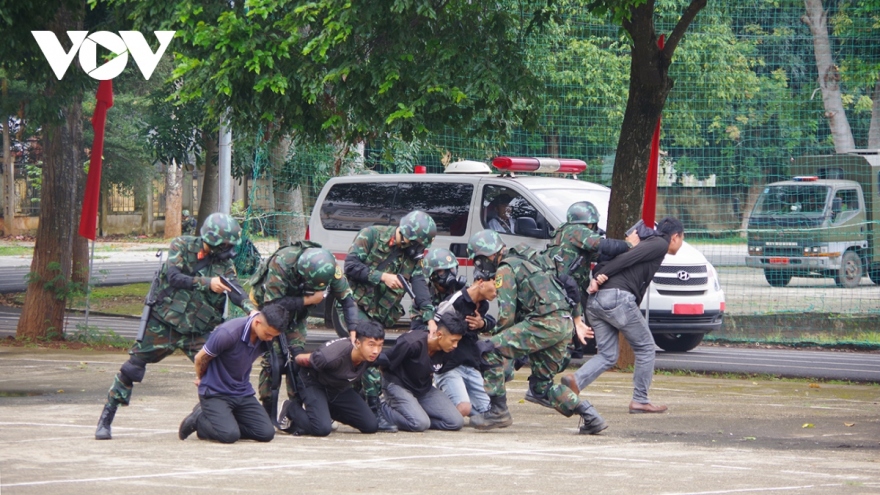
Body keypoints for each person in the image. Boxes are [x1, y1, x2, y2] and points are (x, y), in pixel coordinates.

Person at [95, 212, 255, 440]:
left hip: (197, 331)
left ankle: (203, 415)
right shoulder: (182, 245)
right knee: (132, 368)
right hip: (164, 324)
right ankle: (106, 418)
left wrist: (252, 310)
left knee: (220, 374)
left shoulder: (225, 265)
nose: (230, 250)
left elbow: (236, 290)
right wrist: (207, 283)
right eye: (227, 244)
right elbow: (173, 277)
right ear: (213, 242)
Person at [468, 229, 606, 434]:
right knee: (540, 389)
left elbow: (507, 316)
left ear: (488, 255)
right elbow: (568, 284)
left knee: (487, 349)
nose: (480, 266)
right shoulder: (536, 258)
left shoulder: (505, 270)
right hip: (563, 324)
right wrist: (577, 319)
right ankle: (589, 414)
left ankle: (498, 410)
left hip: (544, 323)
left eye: (479, 260)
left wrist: (501, 348)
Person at [565, 216, 686, 415]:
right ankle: (640, 400)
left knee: (607, 354)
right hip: (616, 299)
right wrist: (596, 278)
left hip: (597, 302)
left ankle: (575, 381)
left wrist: (599, 276)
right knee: (646, 347)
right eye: (682, 238)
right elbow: (625, 259)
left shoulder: (651, 245)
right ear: (675, 236)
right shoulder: (658, 243)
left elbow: (620, 259)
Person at [344, 210, 438, 432]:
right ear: (405, 234)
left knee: (360, 361)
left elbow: (419, 286)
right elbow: (350, 266)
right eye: (416, 243)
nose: (417, 249)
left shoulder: (412, 257)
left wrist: (429, 317)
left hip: (380, 314)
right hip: (356, 308)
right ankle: (375, 411)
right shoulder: (371, 236)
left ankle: (351, 405)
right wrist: (382, 277)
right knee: (370, 357)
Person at [248, 244, 360, 421]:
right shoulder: (282, 263)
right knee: (274, 362)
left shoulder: (328, 267)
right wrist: (308, 299)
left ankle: (295, 409)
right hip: (270, 313)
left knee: (297, 361)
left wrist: (353, 328)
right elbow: (273, 305)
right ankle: (267, 411)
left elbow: (347, 300)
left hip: (297, 315)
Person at [538, 201, 640, 361]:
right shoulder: (576, 230)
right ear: (589, 222)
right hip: (565, 285)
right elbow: (602, 245)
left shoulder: (565, 231)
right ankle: (568, 350)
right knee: (568, 317)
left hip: (563, 284)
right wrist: (628, 244)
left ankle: (575, 348)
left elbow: (599, 254)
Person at [177, 301, 291, 443]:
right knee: (229, 435)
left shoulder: (265, 335)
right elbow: (200, 358)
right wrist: (202, 378)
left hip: (241, 392)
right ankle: (199, 419)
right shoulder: (228, 333)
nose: (270, 339)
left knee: (266, 433)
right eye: (268, 334)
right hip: (215, 392)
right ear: (257, 323)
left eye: (273, 336)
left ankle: (225, 420)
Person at [278, 321, 386, 436]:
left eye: (380, 345)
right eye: (371, 344)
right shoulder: (330, 356)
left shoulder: (373, 356)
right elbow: (301, 360)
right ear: (358, 343)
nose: (376, 350)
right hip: (314, 383)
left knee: (370, 425)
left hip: (338, 387)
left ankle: (323, 412)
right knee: (322, 429)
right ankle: (290, 408)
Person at [427, 249, 497, 423]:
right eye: (494, 285)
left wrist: (482, 324)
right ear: (480, 282)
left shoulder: (483, 306)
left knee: (488, 411)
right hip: (449, 364)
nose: (497, 291)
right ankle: (432, 402)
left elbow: (492, 322)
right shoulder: (454, 300)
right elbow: (432, 329)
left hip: (470, 362)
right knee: (463, 409)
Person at [378, 312, 467, 432]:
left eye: (458, 341)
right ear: (439, 334)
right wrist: (388, 388)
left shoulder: (448, 350)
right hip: (398, 385)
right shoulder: (411, 343)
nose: (455, 345)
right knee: (419, 424)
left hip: (423, 388)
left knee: (456, 422)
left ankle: (417, 415)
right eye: (453, 340)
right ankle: (382, 407)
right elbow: (384, 361)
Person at [409, 247, 465, 331]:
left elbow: (487, 322)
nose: (450, 274)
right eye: (443, 271)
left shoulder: (464, 291)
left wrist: (482, 323)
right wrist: (440, 330)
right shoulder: (423, 296)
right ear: (432, 275)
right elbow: (416, 327)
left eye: (452, 269)